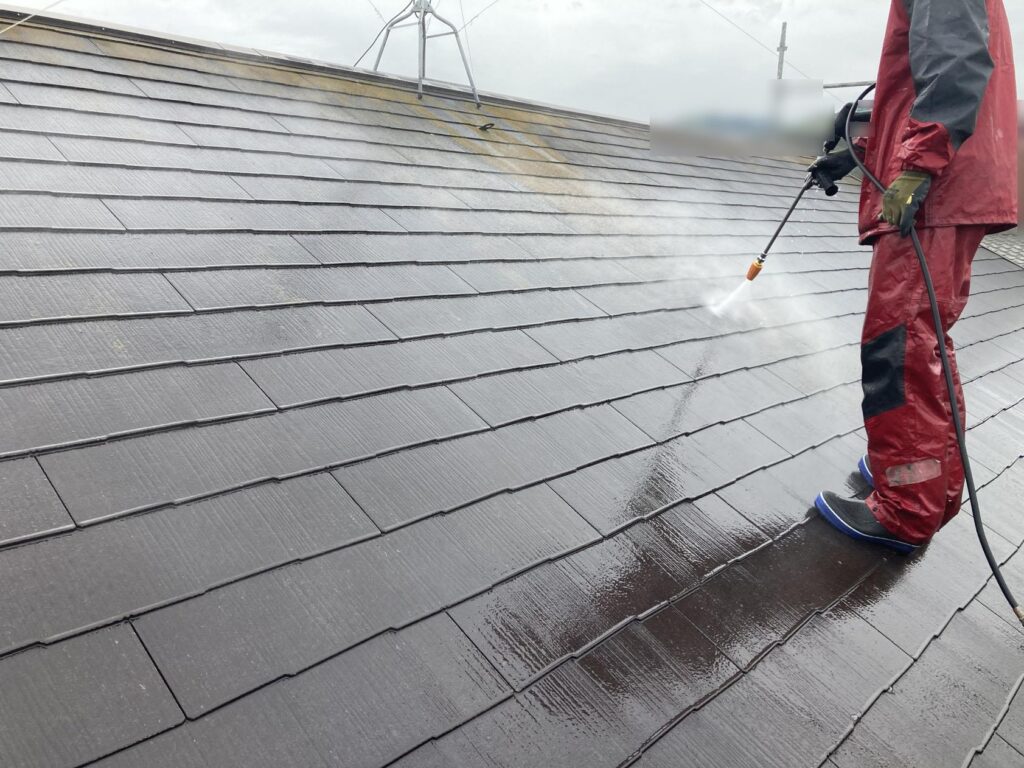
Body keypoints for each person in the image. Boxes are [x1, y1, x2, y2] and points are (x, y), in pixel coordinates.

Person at [807, 0, 1018, 553]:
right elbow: (918, 85)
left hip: (939, 189)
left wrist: (919, 167)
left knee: (898, 346)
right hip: (958, 183)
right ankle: (930, 484)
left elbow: (955, 65)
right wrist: (856, 153)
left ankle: (906, 508)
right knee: (924, 342)